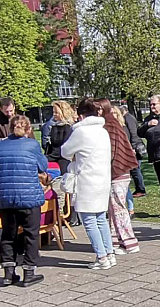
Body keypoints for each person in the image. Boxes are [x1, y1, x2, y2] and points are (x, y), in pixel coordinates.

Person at [0, 115, 48, 287]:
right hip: (28, 196)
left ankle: (8, 274)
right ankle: (29, 272)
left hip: (6, 197)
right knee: (31, 234)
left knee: (8, 235)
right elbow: (43, 166)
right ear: (29, 129)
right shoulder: (31, 145)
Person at [61, 98, 115, 269]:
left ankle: (101, 257)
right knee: (101, 219)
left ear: (81, 115)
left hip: (87, 181)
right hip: (102, 180)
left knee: (90, 221)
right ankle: (109, 253)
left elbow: (65, 151)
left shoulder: (81, 132)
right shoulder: (102, 131)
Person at [100, 99, 139, 255]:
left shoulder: (110, 126)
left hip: (117, 172)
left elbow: (112, 152)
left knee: (119, 208)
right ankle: (116, 240)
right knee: (113, 208)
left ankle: (129, 242)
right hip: (117, 172)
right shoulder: (111, 125)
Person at [119, 105, 147, 198]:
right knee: (135, 169)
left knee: (136, 169)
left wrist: (133, 147)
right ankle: (139, 188)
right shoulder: (129, 118)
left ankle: (141, 189)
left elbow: (134, 133)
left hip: (135, 147)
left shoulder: (128, 119)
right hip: (135, 146)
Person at [46, 100, 76, 175]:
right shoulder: (53, 127)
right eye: (53, 112)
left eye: (56, 112)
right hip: (54, 156)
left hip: (64, 158)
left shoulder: (68, 128)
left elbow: (64, 147)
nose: (54, 114)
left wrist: (49, 158)